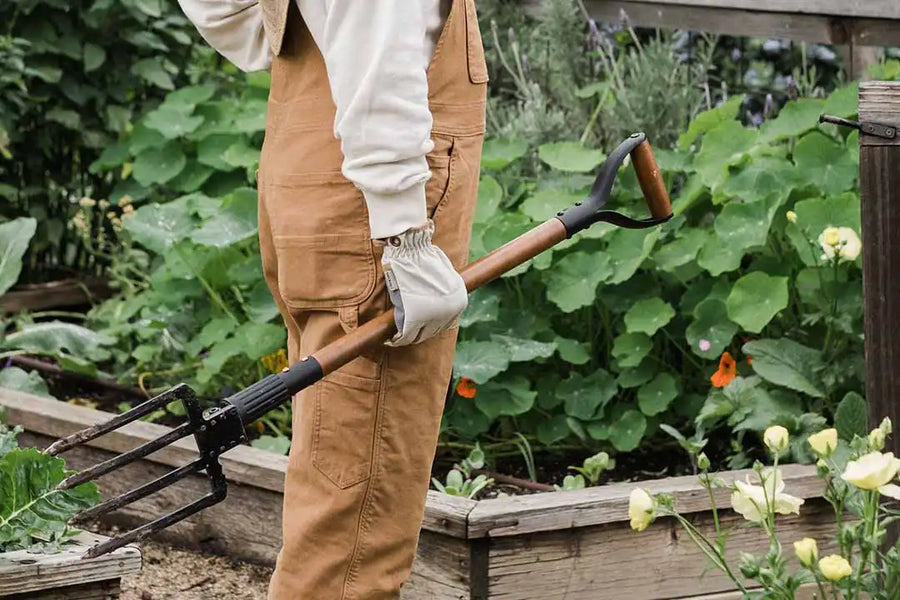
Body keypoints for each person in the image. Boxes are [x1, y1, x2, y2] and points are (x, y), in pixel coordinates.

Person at [175, 1, 488, 598]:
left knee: (335, 478)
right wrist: (403, 230)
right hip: (371, 200)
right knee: (351, 538)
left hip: (314, 143)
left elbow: (230, 16)